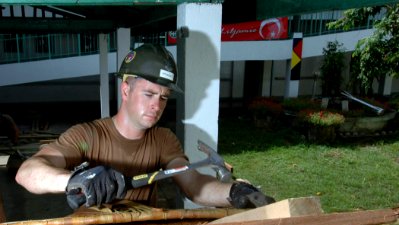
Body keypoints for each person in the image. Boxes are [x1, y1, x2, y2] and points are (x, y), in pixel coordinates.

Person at [15, 44, 275, 210]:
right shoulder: (87, 136)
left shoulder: (163, 140)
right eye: (149, 94)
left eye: (163, 97)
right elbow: (27, 173)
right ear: (126, 89)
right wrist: (75, 180)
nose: (157, 105)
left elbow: (193, 184)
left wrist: (234, 192)